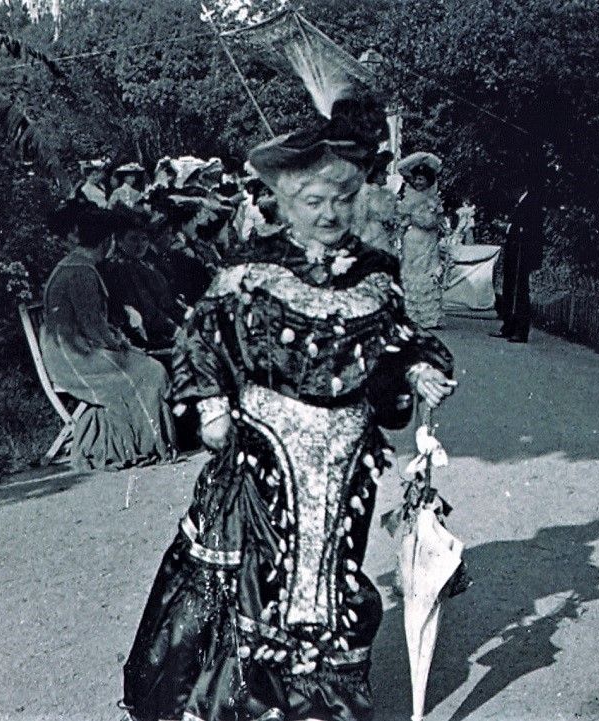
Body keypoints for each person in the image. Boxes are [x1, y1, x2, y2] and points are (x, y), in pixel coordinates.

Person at [122, 92, 457, 721]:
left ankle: (321, 703)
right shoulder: (252, 268)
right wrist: (212, 404)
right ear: (285, 204)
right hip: (263, 458)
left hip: (346, 463)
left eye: (341, 199)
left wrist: (417, 370)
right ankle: (254, 702)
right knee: (260, 579)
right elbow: (201, 337)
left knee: (334, 577)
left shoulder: (375, 271)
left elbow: (395, 340)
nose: (329, 214)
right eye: (313, 202)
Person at [39, 198, 176, 471]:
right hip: (74, 356)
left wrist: (120, 343)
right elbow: (94, 328)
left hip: (75, 348)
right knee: (150, 370)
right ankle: (143, 444)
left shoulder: (78, 265)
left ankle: (136, 440)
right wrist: (121, 346)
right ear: (106, 241)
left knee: (146, 364)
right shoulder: (81, 272)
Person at [97, 210, 183, 354]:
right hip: (148, 339)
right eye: (133, 239)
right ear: (119, 240)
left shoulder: (145, 263)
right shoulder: (120, 268)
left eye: (144, 239)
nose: (140, 245)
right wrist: (176, 331)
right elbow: (148, 311)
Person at [492, 178, 546, 343]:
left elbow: (528, 229)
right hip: (515, 253)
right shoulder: (521, 203)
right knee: (510, 288)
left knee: (520, 291)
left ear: (519, 187)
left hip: (522, 254)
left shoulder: (531, 203)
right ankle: (509, 326)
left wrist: (506, 228)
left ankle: (520, 330)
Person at [397, 152, 446, 329]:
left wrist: (433, 217)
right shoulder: (409, 197)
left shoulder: (434, 198)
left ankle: (429, 316)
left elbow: (436, 222)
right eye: (416, 179)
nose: (418, 183)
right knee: (411, 273)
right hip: (412, 240)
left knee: (428, 273)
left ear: (428, 181)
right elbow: (404, 221)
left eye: (422, 179)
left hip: (429, 240)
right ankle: (411, 314)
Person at [354, 150, 398, 255]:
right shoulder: (365, 191)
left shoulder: (386, 193)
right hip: (368, 233)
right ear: (374, 175)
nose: (386, 175)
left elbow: (391, 215)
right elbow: (360, 215)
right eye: (382, 173)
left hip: (382, 234)